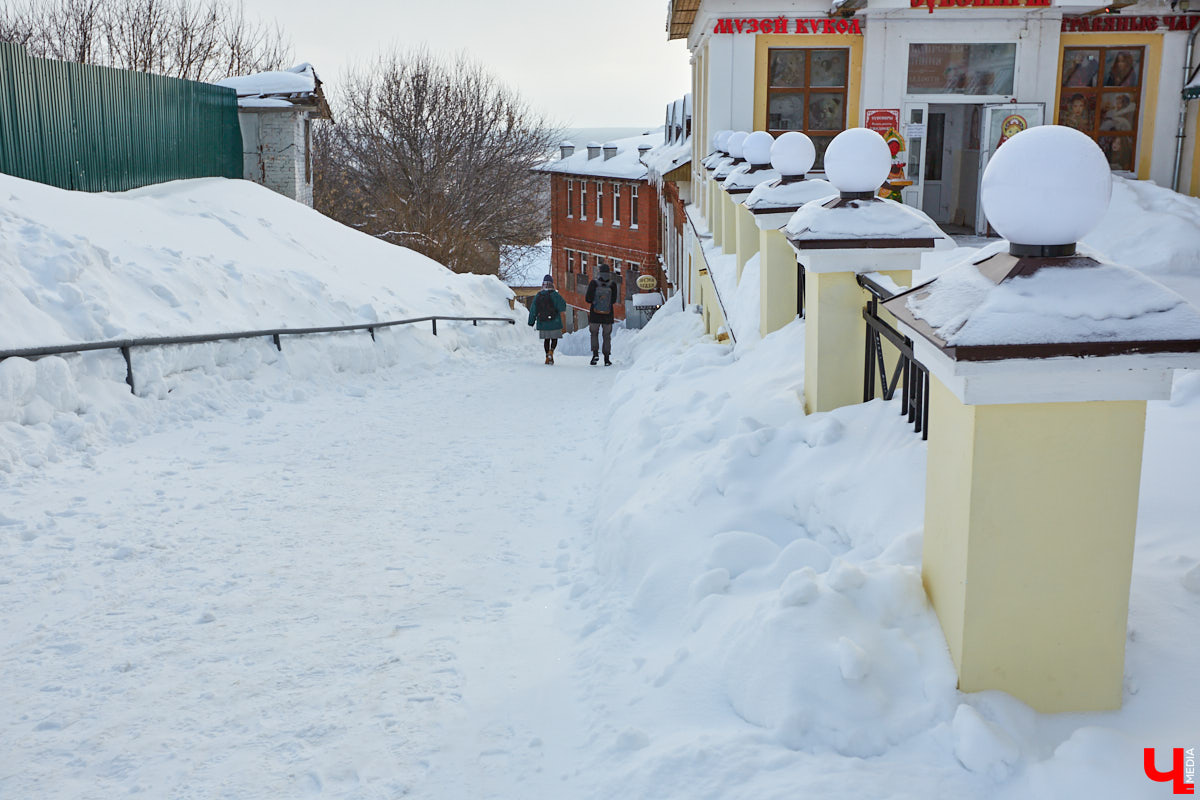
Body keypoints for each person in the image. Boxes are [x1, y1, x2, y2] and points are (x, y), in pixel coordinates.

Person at [527, 274, 566, 365]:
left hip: (543, 322)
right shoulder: (555, 294)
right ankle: (551, 351)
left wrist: (531, 321)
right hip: (554, 322)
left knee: (546, 340)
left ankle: (547, 356)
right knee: (554, 339)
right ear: (552, 284)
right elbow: (563, 307)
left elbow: (533, 309)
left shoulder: (539, 295)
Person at [585, 262, 618, 366]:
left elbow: (588, 299)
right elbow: (613, 300)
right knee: (607, 336)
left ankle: (595, 354)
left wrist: (596, 301)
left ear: (599, 272)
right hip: (608, 315)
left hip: (595, 314)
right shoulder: (613, 284)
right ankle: (607, 359)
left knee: (594, 334)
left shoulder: (593, 283)